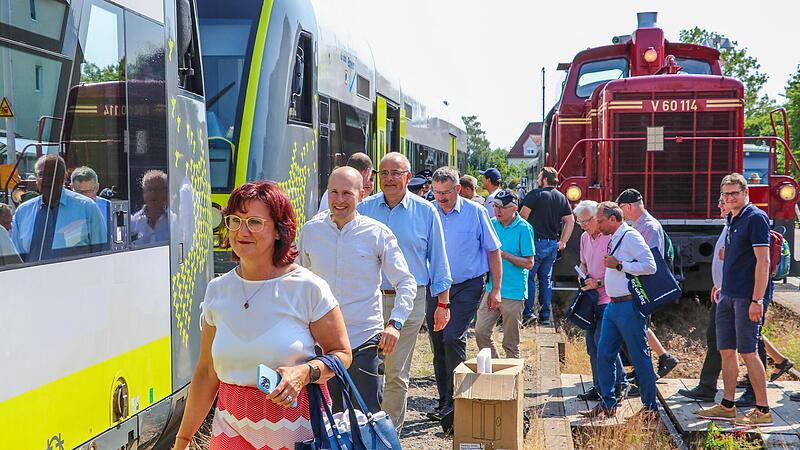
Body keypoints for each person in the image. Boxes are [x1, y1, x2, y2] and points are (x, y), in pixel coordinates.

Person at [172, 181, 352, 450]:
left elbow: (342, 354)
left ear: (279, 231)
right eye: (235, 221)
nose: (242, 231)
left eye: (254, 222)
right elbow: (207, 371)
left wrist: (304, 372)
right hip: (229, 426)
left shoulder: (307, 287)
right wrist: (183, 439)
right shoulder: (217, 290)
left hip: (296, 427)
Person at [298, 167, 417, 414]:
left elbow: (406, 281)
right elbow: (298, 282)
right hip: (322, 344)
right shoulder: (310, 232)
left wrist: (395, 324)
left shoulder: (377, 234)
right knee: (326, 418)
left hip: (363, 341)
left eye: (347, 193)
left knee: (366, 417)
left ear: (361, 195)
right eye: (334, 192)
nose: (339, 200)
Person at [358, 153, 452, 431]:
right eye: (383, 173)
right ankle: (364, 428)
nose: (388, 179)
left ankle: (388, 434)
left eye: (395, 173)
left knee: (396, 372)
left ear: (408, 177)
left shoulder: (426, 211)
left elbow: (439, 260)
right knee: (367, 369)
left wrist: (443, 304)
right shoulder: (364, 209)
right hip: (368, 301)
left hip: (409, 302)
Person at [695, 173, 773, 426]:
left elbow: (763, 261)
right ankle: (728, 405)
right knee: (726, 350)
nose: (729, 198)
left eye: (734, 194)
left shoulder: (756, 218)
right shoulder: (732, 218)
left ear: (745, 192)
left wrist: (757, 300)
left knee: (749, 352)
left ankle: (763, 410)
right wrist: (721, 286)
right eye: (726, 195)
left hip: (746, 297)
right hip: (728, 295)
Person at [431, 166, 502, 418]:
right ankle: (444, 402)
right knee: (438, 343)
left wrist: (496, 289)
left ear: (458, 189)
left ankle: (458, 400)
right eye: (436, 192)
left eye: (446, 192)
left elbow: (493, 251)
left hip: (468, 285)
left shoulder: (476, 212)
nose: (441, 197)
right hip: (437, 286)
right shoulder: (430, 212)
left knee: (452, 337)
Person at [578, 201, 658, 420]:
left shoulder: (630, 237)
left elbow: (650, 266)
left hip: (629, 305)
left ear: (613, 219)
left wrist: (621, 265)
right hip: (614, 305)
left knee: (640, 356)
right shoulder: (615, 237)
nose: (598, 225)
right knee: (604, 352)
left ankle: (651, 407)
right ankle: (607, 403)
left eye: (601, 221)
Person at [616, 188, 680, 380]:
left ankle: (655, 364)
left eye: (621, 209)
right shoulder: (639, 224)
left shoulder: (649, 227)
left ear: (628, 207)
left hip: (647, 281)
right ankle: (658, 360)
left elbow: (651, 260)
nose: (621, 213)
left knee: (639, 324)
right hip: (641, 279)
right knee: (640, 323)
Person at [572, 200, 628, 402]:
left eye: (586, 221)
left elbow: (617, 270)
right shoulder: (585, 238)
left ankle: (619, 383)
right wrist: (583, 275)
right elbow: (583, 262)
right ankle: (599, 385)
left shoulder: (610, 238)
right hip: (591, 297)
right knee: (592, 345)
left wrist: (598, 282)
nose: (583, 226)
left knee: (604, 342)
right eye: (580, 223)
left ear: (597, 218)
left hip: (607, 297)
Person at [11, 155, 106, 262]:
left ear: (64, 177)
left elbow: (102, 253)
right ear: (36, 179)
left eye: (52, 174)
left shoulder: (86, 207)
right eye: (41, 174)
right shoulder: (23, 212)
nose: (46, 179)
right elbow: (16, 258)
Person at [474, 189, 533, 359]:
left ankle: (512, 380)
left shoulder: (524, 228)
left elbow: (529, 263)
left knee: (511, 344)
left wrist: (504, 255)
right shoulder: (491, 224)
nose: (497, 210)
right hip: (492, 289)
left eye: (502, 207)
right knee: (480, 332)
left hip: (514, 292)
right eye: (495, 206)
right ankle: (496, 368)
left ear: (515, 208)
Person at [519, 167, 574, 326]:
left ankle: (528, 313)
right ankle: (544, 316)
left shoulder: (535, 195)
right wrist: (563, 241)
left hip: (534, 243)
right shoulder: (561, 197)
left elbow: (522, 217)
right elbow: (570, 221)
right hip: (552, 244)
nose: (537, 179)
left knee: (528, 278)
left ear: (544, 180)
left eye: (539, 177)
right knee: (545, 280)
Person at [130, 170, 171, 245]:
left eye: (157, 189)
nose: (153, 193)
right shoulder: (133, 223)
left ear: (166, 192)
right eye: (149, 189)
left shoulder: (174, 221)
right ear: (143, 193)